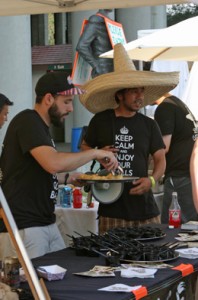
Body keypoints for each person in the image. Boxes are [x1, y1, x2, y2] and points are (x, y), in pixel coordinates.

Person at [0, 71, 118, 260]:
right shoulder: (28, 121)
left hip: (43, 222)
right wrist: (95, 152)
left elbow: (36, 172)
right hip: (25, 226)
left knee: (61, 277)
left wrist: (69, 178)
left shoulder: (40, 127)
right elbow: (53, 163)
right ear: (48, 99)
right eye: (67, 101)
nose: (71, 109)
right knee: (31, 288)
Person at [79, 43, 179, 234]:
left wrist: (151, 180)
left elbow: (160, 158)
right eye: (134, 91)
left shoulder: (149, 124)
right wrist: (99, 155)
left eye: (141, 90)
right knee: (111, 260)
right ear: (120, 94)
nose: (139, 96)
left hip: (146, 210)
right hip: (111, 208)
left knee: (151, 259)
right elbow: (84, 148)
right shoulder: (101, 120)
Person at [154, 93, 198, 224]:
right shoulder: (179, 105)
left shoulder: (164, 108)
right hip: (189, 175)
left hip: (179, 178)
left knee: (174, 228)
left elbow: (164, 146)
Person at [76, 9, 114, 78]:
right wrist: (96, 65)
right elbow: (81, 46)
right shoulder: (96, 21)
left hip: (111, 71)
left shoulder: (108, 22)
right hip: (103, 71)